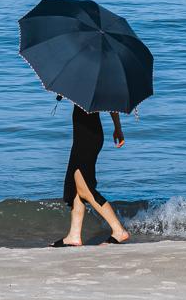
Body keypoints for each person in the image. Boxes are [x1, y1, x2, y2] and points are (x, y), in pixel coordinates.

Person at [54, 101, 131, 246]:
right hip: (81, 139)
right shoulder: (85, 83)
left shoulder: (88, 82)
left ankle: (119, 230)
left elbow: (111, 104)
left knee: (85, 189)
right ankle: (74, 235)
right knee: (75, 186)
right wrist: (117, 128)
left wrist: (118, 128)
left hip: (88, 139)